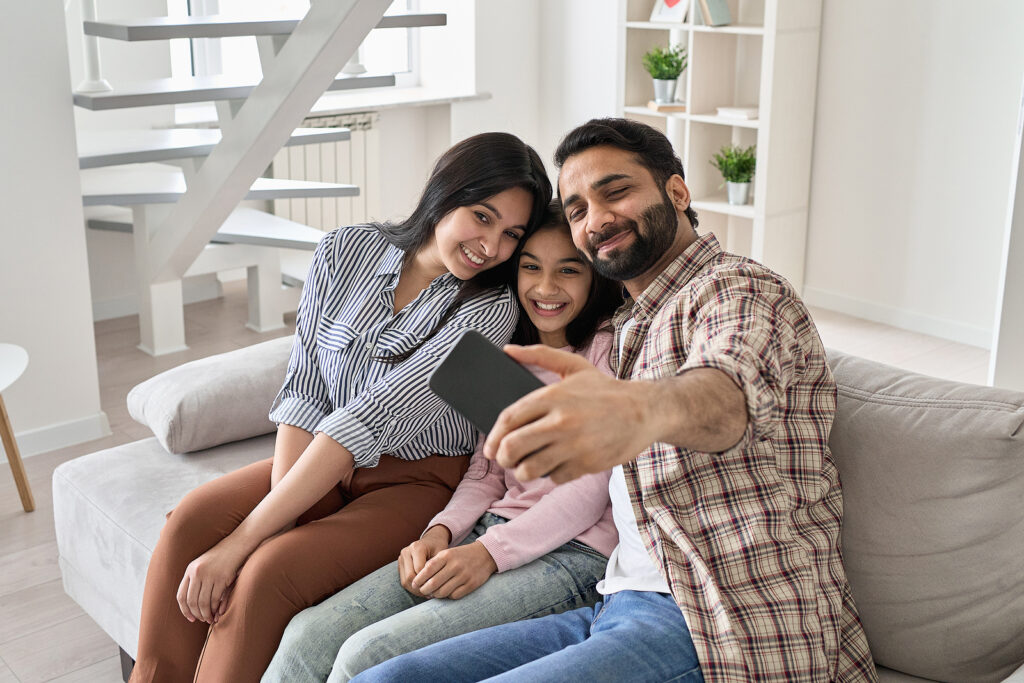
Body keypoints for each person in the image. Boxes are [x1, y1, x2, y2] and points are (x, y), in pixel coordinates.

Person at [352, 118, 878, 683]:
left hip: (717, 621)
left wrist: (640, 411)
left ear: (677, 192)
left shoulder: (740, 290)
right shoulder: (625, 328)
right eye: (576, 209)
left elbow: (726, 392)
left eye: (616, 191)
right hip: (615, 603)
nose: (596, 219)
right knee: (381, 676)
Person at [129, 132, 553, 683]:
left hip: (414, 483)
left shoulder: (491, 310)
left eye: (511, 234)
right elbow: (305, 388)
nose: (492, 246)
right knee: (189, 522)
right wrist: (285, 509)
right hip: (317, 460)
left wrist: (249, 540)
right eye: (482, 216)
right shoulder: (344, 249)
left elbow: (367, 419)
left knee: (266, 572)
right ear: (446, 192)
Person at [262, 203, 624, 682]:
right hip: (486, 532)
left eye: (568, 270)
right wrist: (440, 533)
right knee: (308, 635)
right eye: (531, 267)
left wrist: (490, 553)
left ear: (595, 278)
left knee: (367, 655)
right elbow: (486, 471)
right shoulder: (503, 347)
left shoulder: (610, 349)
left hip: (573, 555)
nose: (545, 287)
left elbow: (590, 488)